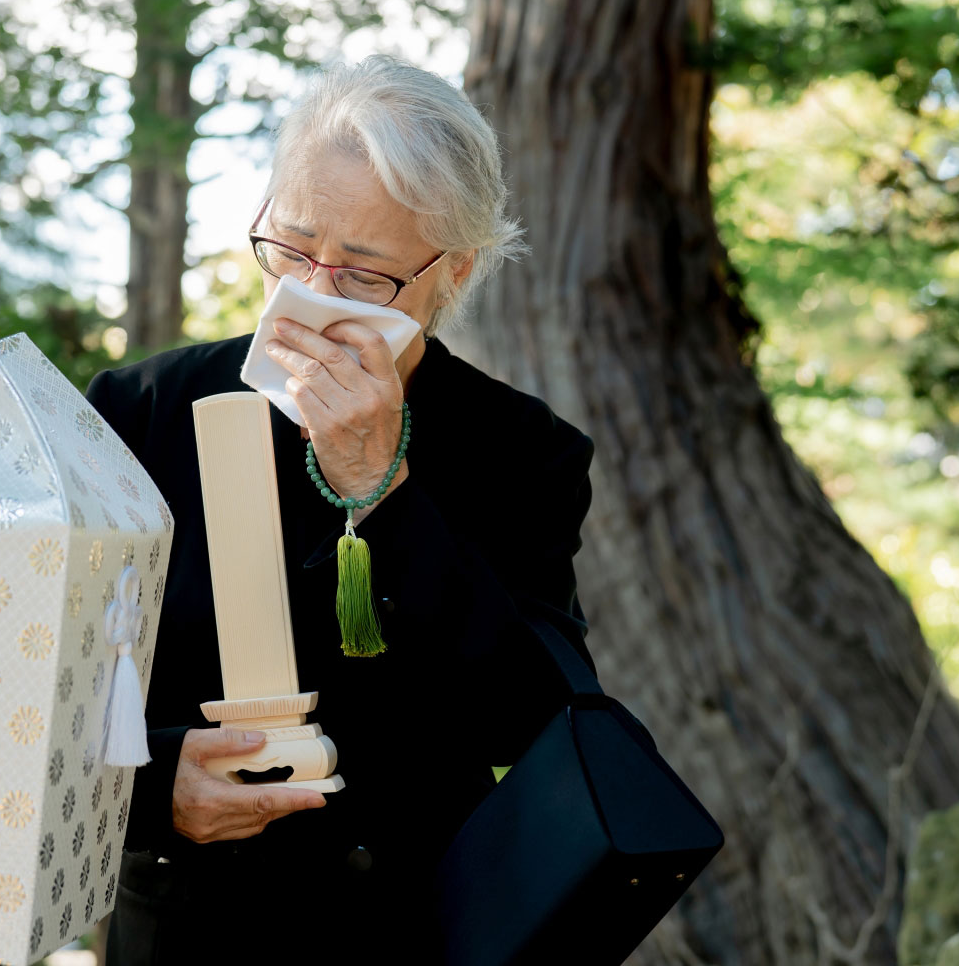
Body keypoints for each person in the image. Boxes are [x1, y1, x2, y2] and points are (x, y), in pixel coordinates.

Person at [85, 55, 597, 964]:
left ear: (453, 273)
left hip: (403, 930)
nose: (313, 297)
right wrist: (160, 784)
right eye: (291, 247)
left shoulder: (523, 451)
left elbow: (530, 721)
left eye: (364, 277)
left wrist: (382, 493)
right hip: (186, 929)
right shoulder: (141, 411)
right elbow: (53, 684)